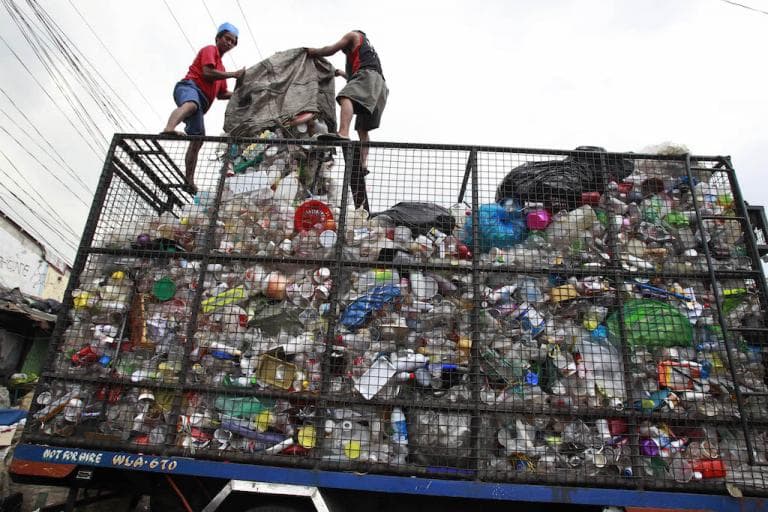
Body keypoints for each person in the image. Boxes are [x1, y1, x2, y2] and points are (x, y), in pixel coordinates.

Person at [162, 22, 245, 193]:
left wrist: (241, 93)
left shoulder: (221, 69)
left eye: (232, 41)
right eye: (227, 39)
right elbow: (207, 73)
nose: (229, 43)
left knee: (198, 139)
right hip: (188, 87)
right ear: (218, 38)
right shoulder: (210, 50)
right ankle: (169, 128)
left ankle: (188, 181)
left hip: (200, 105)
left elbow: (222, 94)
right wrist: (233, 74)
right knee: (191, 104)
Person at [307, 30, 388, 174]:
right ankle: (363, 164)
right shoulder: (367, 54)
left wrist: (314, 51)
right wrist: (340, 73)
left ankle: (343, 133)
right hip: (380, 88)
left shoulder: (354, 35)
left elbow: (330, 49)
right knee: (362, 129)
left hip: (369, 76)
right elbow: (353, 77)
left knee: (345, 96)